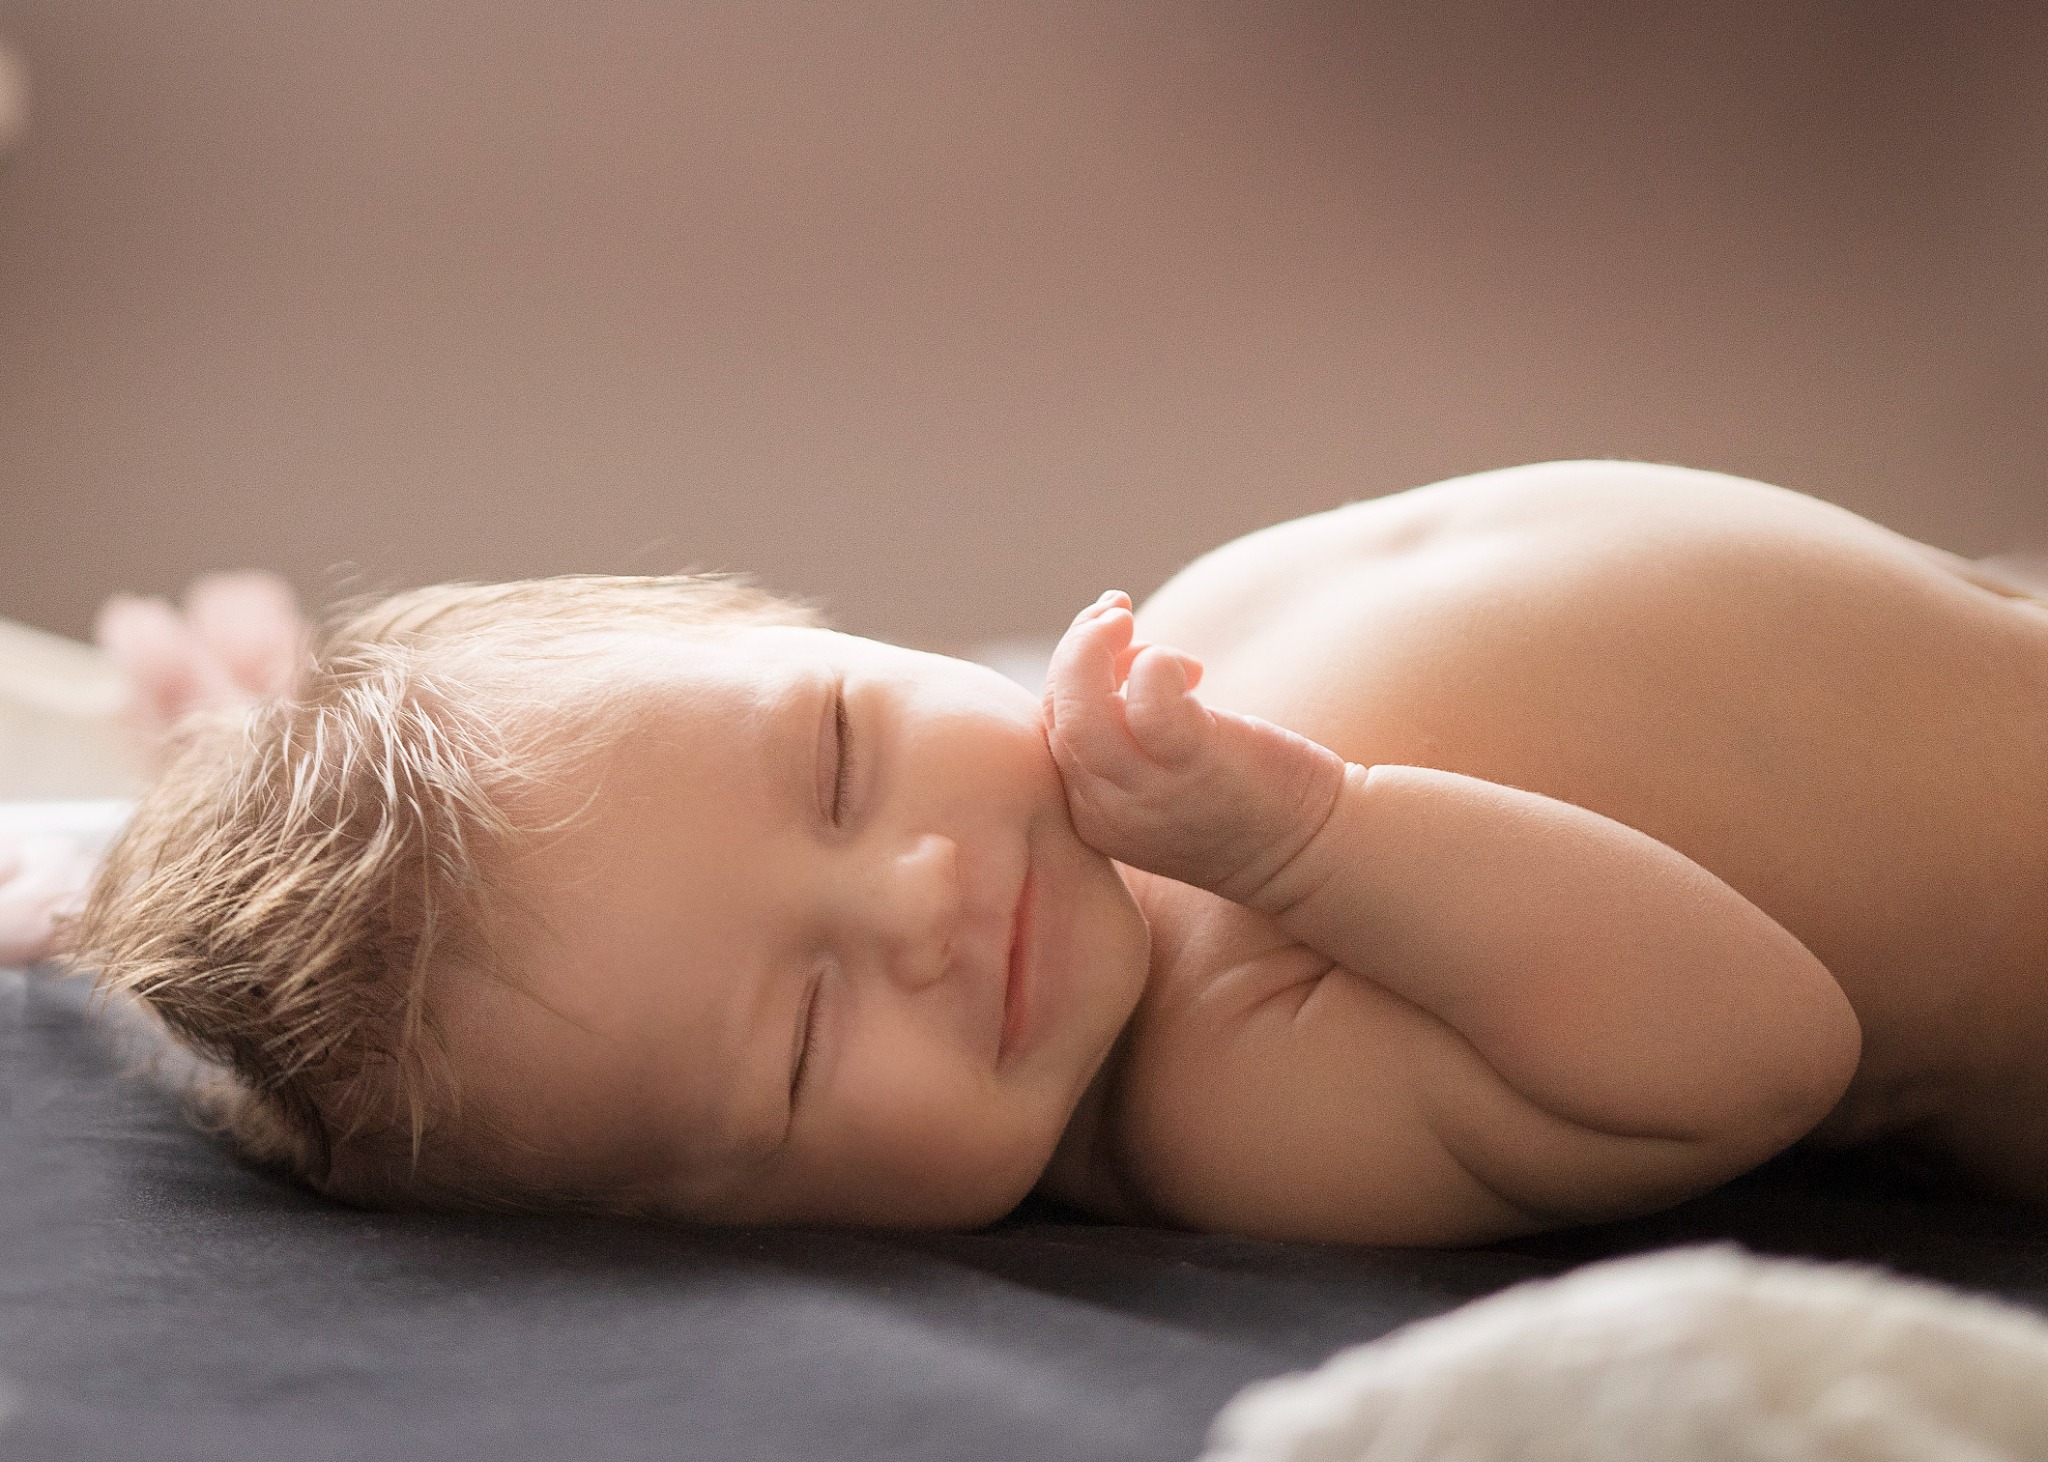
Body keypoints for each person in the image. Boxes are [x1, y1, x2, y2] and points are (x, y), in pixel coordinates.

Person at [45, 461, 2048, 1244]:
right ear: (771, 1221)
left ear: (790, 615)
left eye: (833, 753)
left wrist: (167, 820)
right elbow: (1747, 1039)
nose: (914, 900)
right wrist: (1311, 836)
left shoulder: (1108, 748)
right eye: (808, 1037)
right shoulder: (1225, 1081)